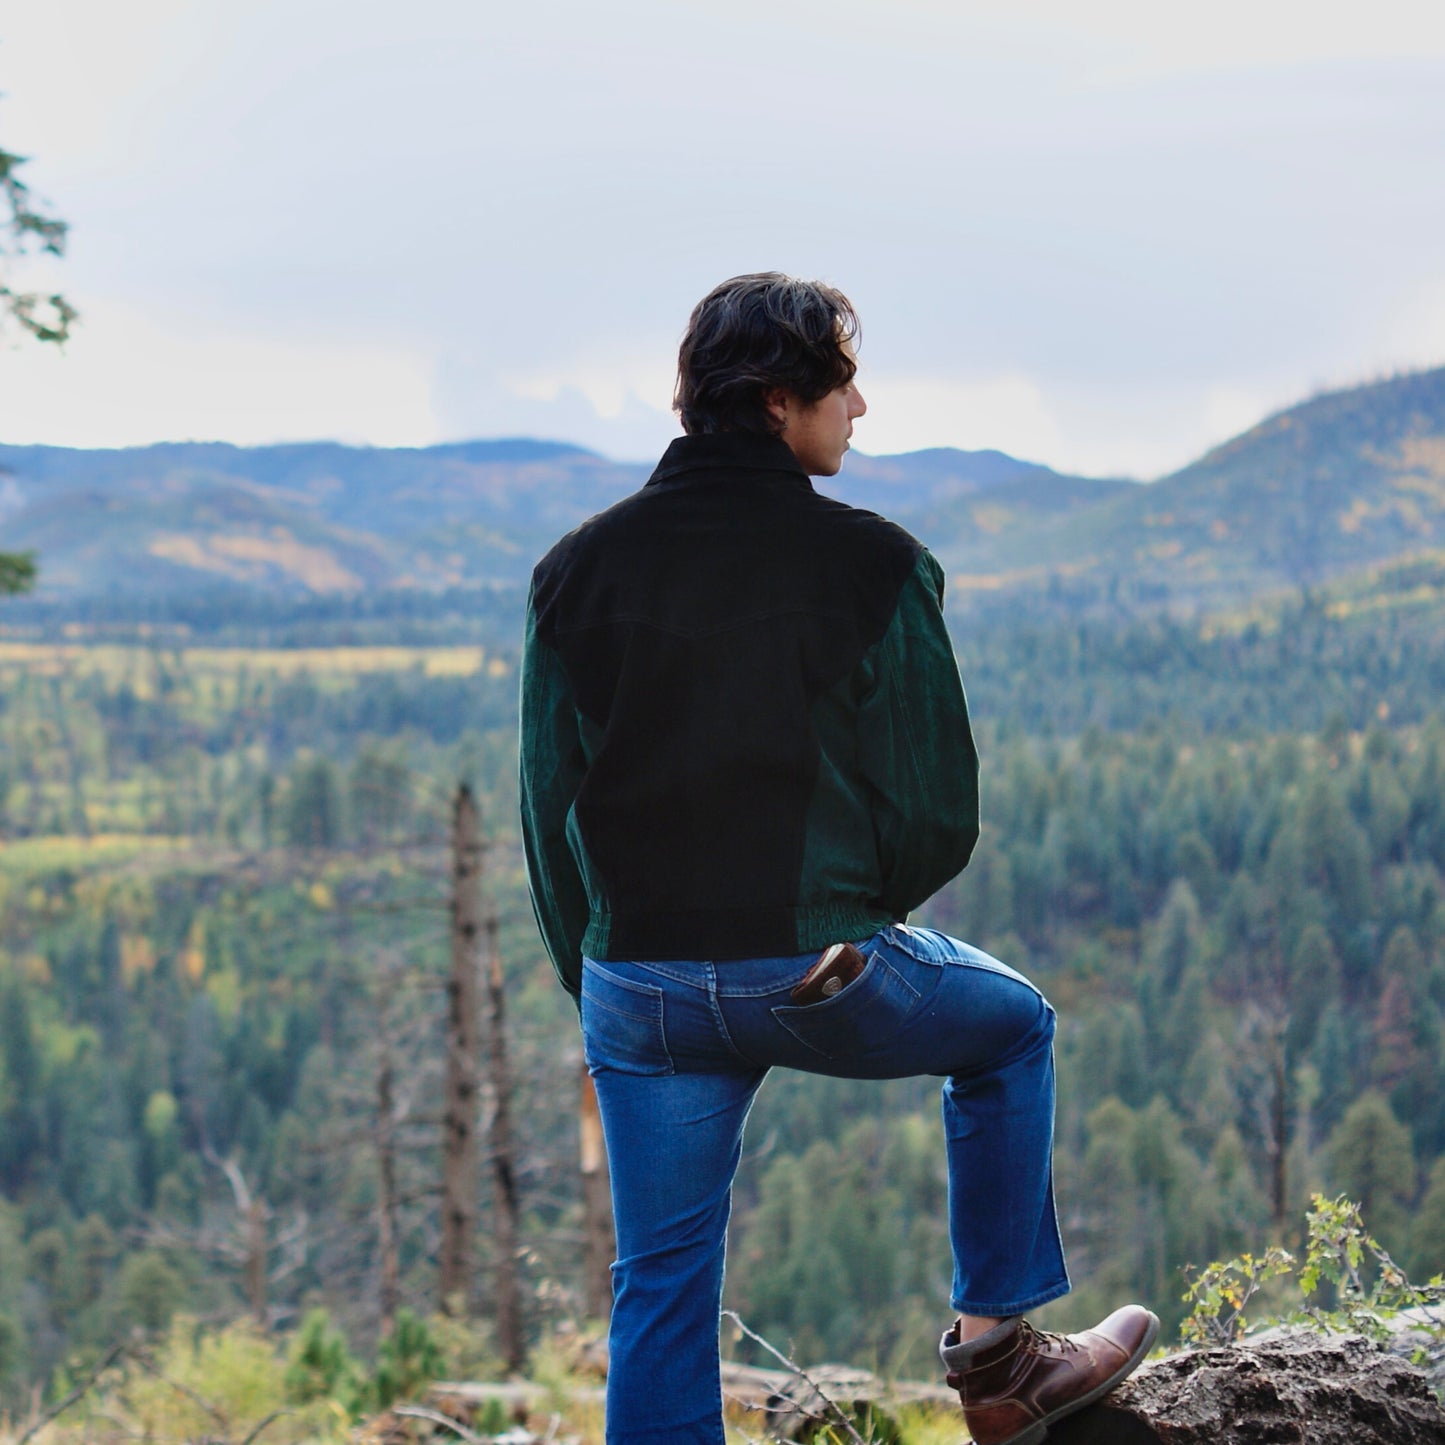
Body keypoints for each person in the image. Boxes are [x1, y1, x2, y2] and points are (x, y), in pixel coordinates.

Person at [519, 273, 1157, 1445]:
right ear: (777, 399)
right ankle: (999, 1361)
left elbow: (545, 805)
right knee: (1011, 1026)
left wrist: (602, 980)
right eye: (841, 385)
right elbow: (934, 804)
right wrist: (848, 919)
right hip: (810, 963)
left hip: (636, 984)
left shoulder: (573, 569)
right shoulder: (873, 562)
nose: (857, 408)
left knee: (657, 1287)